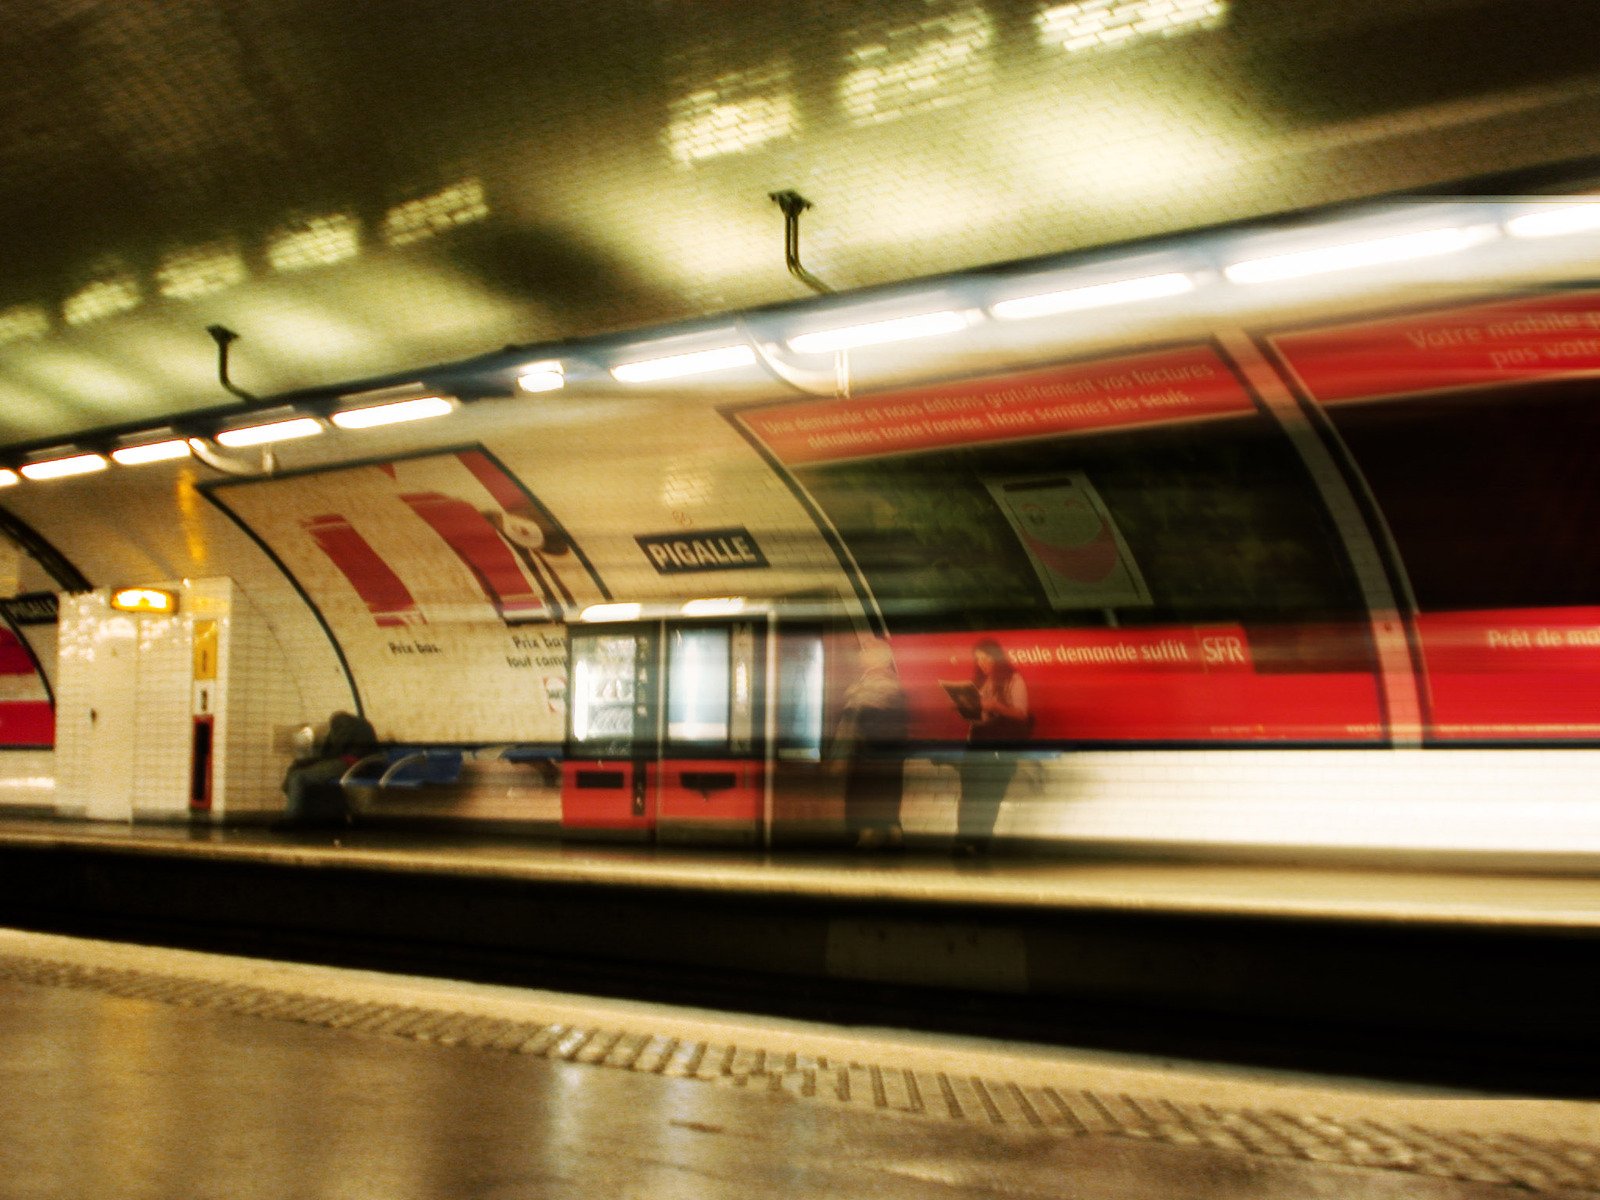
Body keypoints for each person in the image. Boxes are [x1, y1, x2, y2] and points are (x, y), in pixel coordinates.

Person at [832, 639, 908, 850]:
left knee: (863, 797)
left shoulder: (862, 691)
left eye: (865, 652)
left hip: (865, 758)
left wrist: (838, 757)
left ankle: (866, 836)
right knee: (887, 796)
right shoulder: (896, 689)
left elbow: (849, 729)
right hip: (891, 761)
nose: (861, 656)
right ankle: (891, 831)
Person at [956, 639, 1030, 853]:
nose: (982, 663)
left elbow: (1021, 713)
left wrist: (996, 705)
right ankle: (963, 838)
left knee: (989, 796)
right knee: (969, 794)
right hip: (976, 743)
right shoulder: (979, 682)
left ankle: (979, 841)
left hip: (1000, 747)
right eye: (978, 658)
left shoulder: (1013, 680)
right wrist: (965, 708)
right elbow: (979, 716)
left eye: (986, 658)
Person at [279, 711, 378, 828]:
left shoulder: (343, 726)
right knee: (297, 773)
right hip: (351, 763)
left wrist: (311, 762)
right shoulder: (358, 726)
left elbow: (334, 751)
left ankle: (291, 819)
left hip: (350, 764)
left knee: (297, 777)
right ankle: (300, 813)